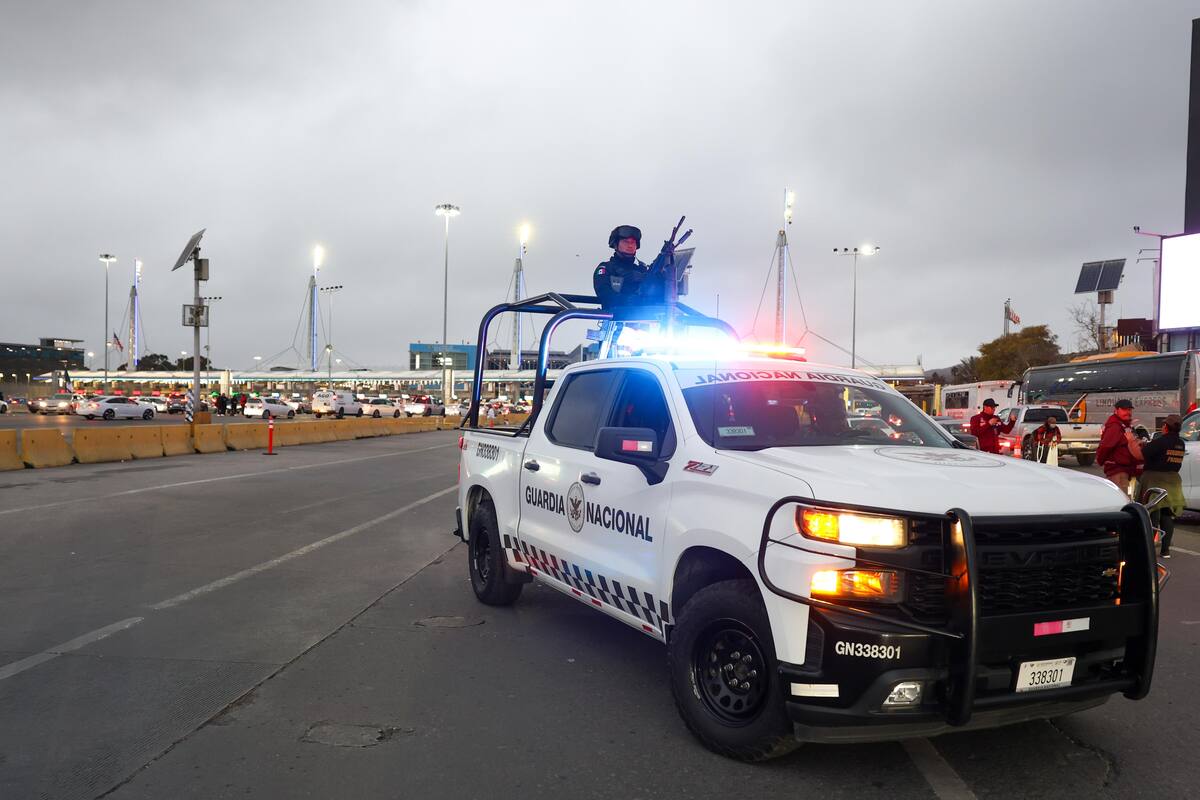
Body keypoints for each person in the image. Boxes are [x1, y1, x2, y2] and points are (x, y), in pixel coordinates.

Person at [1137, 415, 1186, 558]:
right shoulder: (1181, 443)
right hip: (1173, 481)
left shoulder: (1160, 441)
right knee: (1167, 515)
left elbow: (1143, 454)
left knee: (1152, 514)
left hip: (1154, 480)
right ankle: (1165, 550)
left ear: (1165, 427)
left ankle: (1149, 549)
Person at [593, 225, 667, 309]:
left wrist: (661, 273)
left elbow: (656, 291)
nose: (630, 246)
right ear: (615, 244)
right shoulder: (606, 268)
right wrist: (628, 299)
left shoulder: (642, 270)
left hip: (645, 319)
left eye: (633, 242)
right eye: (626, 242)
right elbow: (605, 294)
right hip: (615, 319)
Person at [1096, 399, 1144, 494]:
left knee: (1125, 498)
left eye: (1129, 410)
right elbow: (1106, 446)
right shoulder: (1115, 426)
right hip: (1117, 471)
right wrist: (1100, 460)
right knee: (1122, 500)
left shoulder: (1125, 425)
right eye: (1124, 410)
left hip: (1124, 470)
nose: (1128, 412)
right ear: (1116, 410)